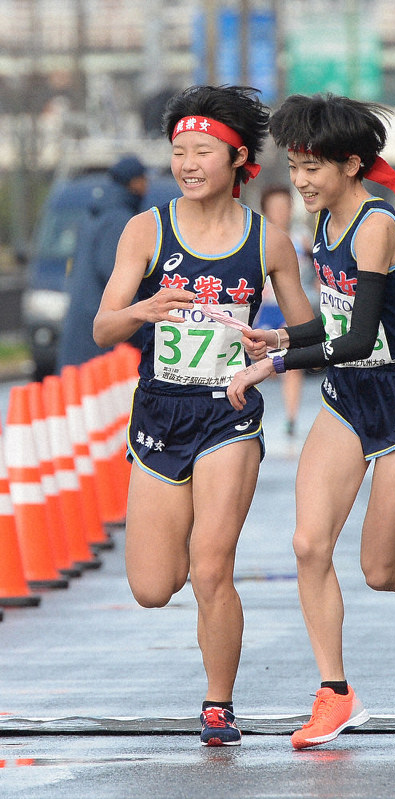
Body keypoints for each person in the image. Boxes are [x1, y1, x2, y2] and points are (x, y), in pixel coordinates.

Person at [227, 92, 395, 750]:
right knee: (308, 544)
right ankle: (335, 692)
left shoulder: (374, 226)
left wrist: (273, 367)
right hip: (346, 397)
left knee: (379, 568)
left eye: (312, 168)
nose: (299, 180)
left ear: (352, 165)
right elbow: (334, 328)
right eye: (295, 166)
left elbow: (362, 337)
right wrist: (277, 340)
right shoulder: (322, 222)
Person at [92, 85, 314, 747]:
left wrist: (270, 344)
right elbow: (104, 325)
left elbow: (307, 335)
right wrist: (145, 309)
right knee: (153, 586)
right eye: (178, 151)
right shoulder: (147, 230)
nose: (187, 163)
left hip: (230, 413)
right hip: (160, 413)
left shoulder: (265, 240)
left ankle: (218, 703)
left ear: (237, 156)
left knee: (211, 567)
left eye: (201, 151)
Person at [57, 155, 149, 369]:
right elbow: (117, 274)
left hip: (81, 324)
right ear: (135, 182)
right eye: (144, 180)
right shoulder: (120, 220)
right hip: (102, 333)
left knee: (78, 396)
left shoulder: (93, 214)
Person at [254, 185, 315, 437]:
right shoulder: (257, 238)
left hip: (289, 309)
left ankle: (291, 417)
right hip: (262, 311)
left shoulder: (301, 238)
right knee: (259, 365)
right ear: (266, 210)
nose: (281, 212)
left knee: (291, 365)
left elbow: (318, 269)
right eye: (275, 208)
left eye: (285, 206)